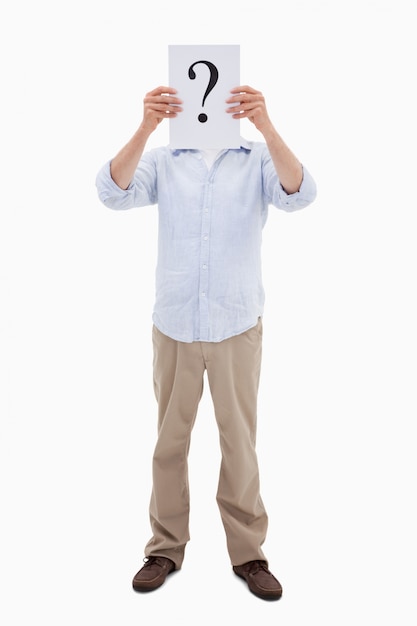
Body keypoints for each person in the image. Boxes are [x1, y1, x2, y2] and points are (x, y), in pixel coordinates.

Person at [95, 84, 317, 601]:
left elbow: (301, 194)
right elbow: (111, 192)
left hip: (236, 324)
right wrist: (146, 125)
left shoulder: (258, 158)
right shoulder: (163, 159)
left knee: (239, 442)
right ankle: (165, 547)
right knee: (169, 441)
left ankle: (249, 554)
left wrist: (266, 125)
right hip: (174, 323)